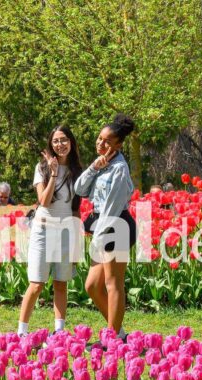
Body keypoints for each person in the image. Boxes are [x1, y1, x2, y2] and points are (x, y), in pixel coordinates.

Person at [75, 114, 137, 348]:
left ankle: (111, 340)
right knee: (92, 286)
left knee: (113, 284)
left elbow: (112, 208)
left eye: (107, 141)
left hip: (116, 225)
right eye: (100, 138)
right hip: (103, 225)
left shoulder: (119, 169)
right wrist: (94, 167)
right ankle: (118, 334)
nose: (101, 144)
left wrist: (98, 239)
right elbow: (80, 189)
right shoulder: (102, 164)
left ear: (118, 145)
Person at [17, 126, 82, 336]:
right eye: (56, 141)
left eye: (64, 140)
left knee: (61, 283)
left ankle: (59, 332)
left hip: (66, 232)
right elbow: (44, 201)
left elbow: (75, 209)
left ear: (71, 142)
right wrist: (53, 173)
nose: (60, 144)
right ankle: (21, 332)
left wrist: (76, 243)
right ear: (50, 144)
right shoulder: (42, 168)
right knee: (37, 284)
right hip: (43, 230)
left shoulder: (77, 171)